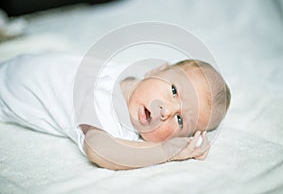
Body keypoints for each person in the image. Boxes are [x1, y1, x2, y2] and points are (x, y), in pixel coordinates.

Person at [0, 53, 231, 170]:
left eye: (180, 120)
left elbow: (106, 147)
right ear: (155, 70)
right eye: (173, 90)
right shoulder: (109, 98)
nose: (166, 111)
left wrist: (171, 148)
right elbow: (98, 150)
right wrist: (166, 151)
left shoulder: (117, 117)